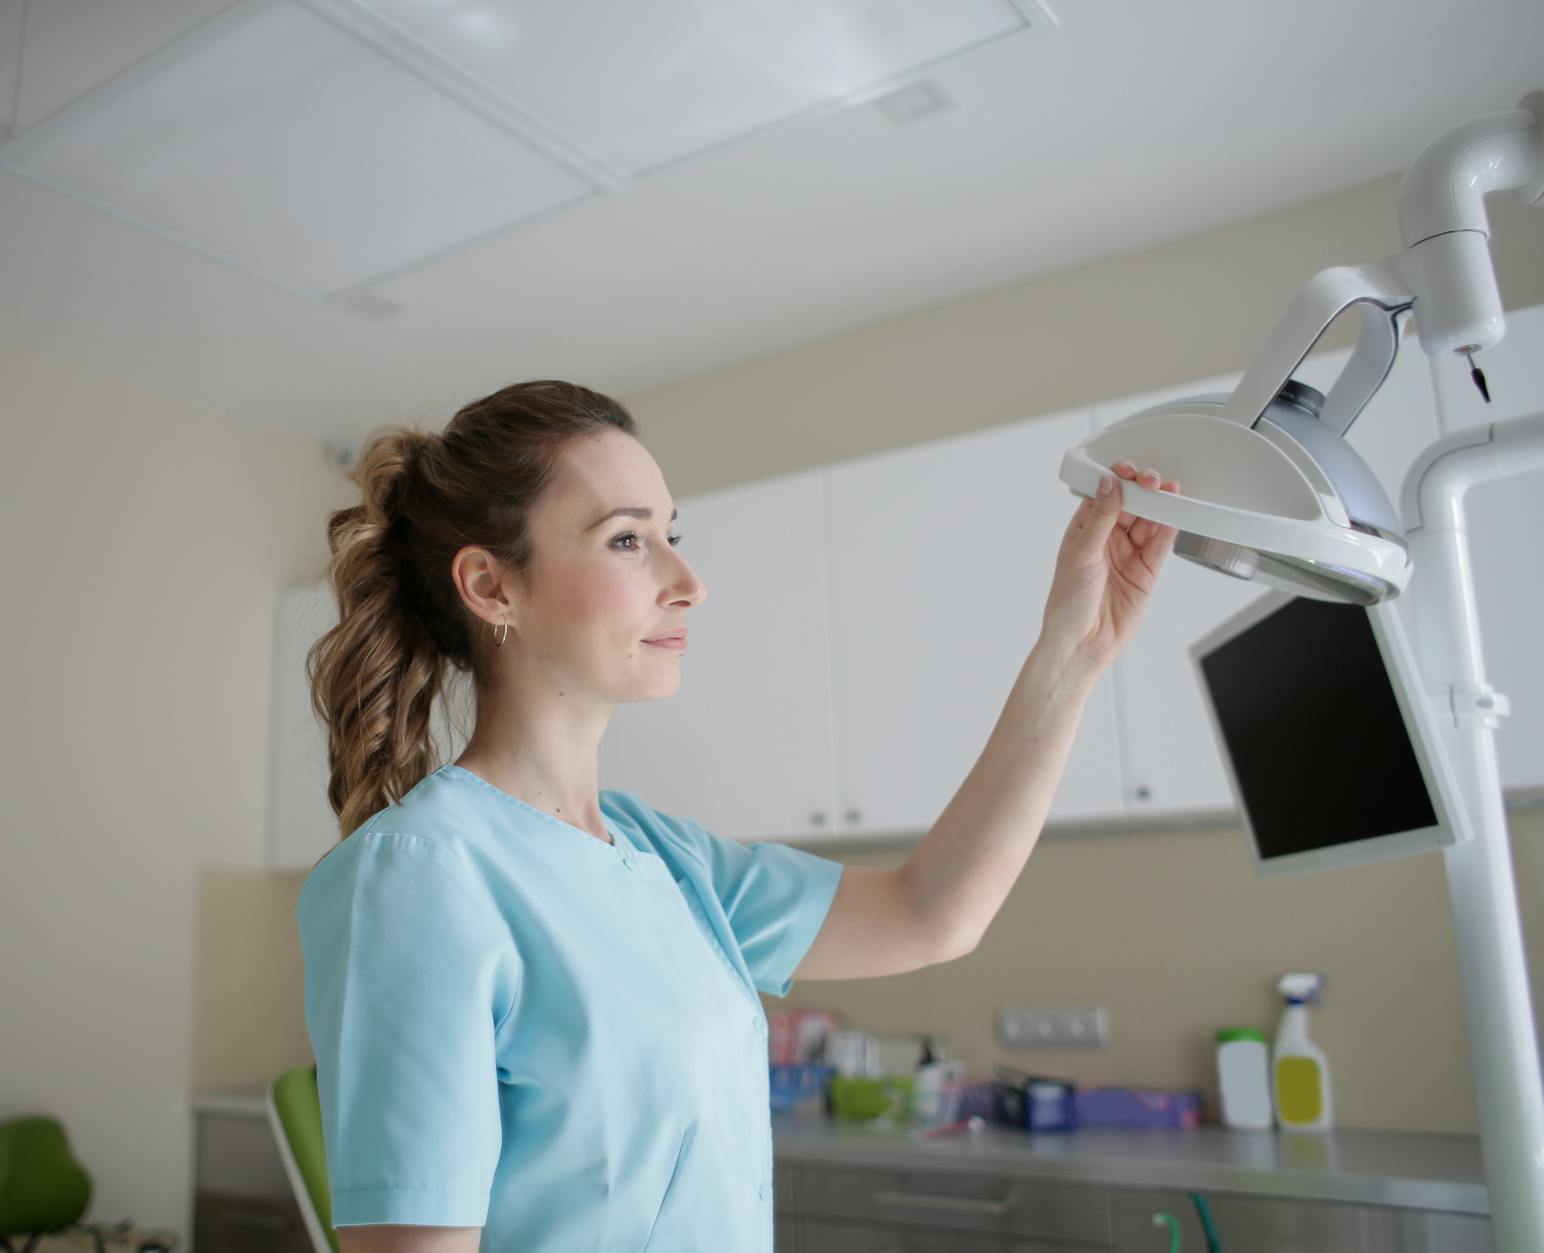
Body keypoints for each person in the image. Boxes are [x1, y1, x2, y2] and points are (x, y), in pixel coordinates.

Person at [297, 380, 1179, 1252]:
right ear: (492, 586)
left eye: (671, 535)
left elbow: (933, 910)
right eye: (629, 538)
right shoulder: (421, 871)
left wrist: (1074, 652)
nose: (687, 580)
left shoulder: (667, 858)